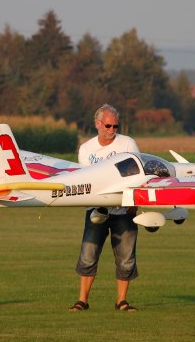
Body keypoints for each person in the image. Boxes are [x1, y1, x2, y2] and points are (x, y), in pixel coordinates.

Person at [69, 104, 140, 312]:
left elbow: (138, 174)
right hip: (96, 210)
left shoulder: (128, 144)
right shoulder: (86, 149)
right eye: (108, 125)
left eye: (115, 126)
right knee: (88, 254)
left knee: (126, 258)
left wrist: (133, 204)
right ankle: (82, 300)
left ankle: (122, 301)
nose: (112, 130)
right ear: (97, 124)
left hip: (124, 210)